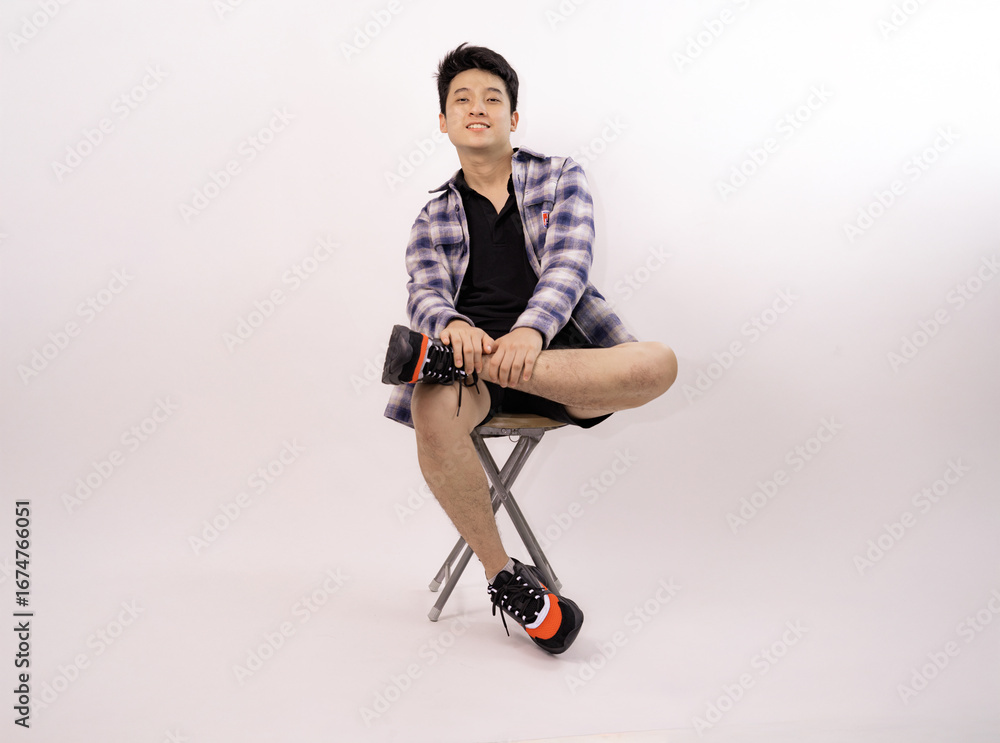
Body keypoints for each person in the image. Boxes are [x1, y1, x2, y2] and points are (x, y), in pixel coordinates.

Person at [382, 43, 677, 655]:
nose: (477, 107)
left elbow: (570, 264)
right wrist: (451, 326)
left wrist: (528, 333)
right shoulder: (432, 216)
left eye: (492, 98)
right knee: (431, 407)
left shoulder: (560, 176)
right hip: (472, 378)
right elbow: (424, 295)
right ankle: (506, 579)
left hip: (562, 361)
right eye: (462, 99)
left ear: (513, 117)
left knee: (659, 364)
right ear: (444, 122)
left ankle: (451, 361)